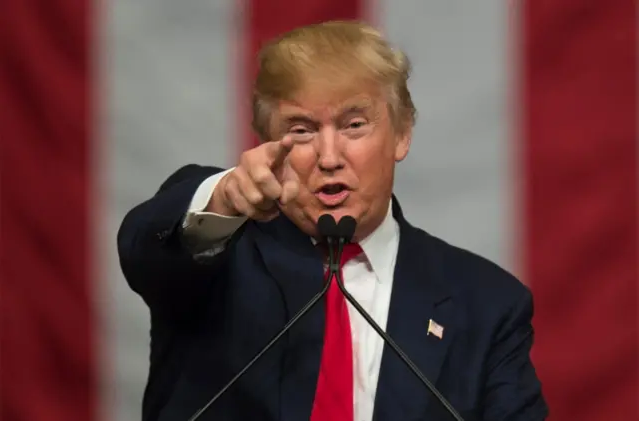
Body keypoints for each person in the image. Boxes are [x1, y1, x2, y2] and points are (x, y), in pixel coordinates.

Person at [118, 21, 548, 421]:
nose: (328, 158)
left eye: (354, 125)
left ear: (401, 133)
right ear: (267, 142)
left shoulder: (487, 303)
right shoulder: (215, 253)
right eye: (301, 130)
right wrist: (227, 197)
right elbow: (146, 248)